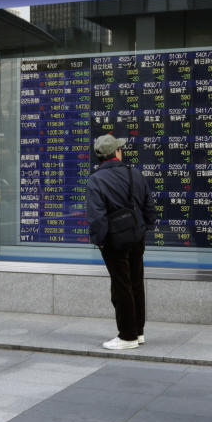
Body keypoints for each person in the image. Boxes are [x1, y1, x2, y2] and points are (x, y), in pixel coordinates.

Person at [85, 134, 156, 350]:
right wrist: (146, 227)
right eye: (119, 148)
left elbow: (97, 217)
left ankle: (127, 336)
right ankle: (138, 331)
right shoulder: (134, 174)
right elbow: (148, 206)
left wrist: (100, 242)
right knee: (136, 282)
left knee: (121, 286)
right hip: (137, 236)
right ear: (116, 153)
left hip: (114, 241)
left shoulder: (95, 180)